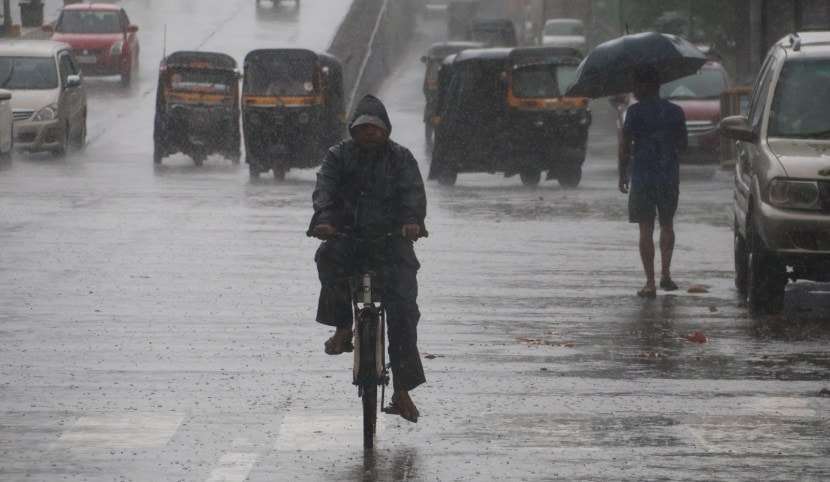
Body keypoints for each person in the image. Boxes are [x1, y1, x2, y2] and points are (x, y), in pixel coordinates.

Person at [308, 94, 427, 423]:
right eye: (363, 127)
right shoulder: (338, 157)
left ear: (387, 130)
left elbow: (413, 194)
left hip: (392, 244)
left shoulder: (401, 158)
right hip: (348, 239)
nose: (371, 133)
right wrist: (325, 220)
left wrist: (412, 221)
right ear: (352, 131)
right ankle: (343, 327)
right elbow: (325, 191)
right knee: (328, 257)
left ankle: (402, 391)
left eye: (377, 127)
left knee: (403, 310)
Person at [618, 68, 687, 298]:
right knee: (667, 224)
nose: (633, 89)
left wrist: (622, 174)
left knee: (645, 228)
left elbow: (624, 146)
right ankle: (665, 275)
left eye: (636, 84)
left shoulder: (634, 113)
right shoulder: (676, 112)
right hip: (668, 176)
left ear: (646, 86)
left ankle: (650, 283)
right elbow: (683, 144)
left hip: (643, 177)